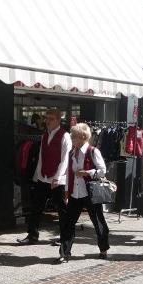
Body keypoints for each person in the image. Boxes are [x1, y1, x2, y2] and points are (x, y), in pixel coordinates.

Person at [17, 109, 71, 245]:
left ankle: (64, 238)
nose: (47, 121)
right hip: (43, 177)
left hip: (58, 179)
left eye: (51, 118)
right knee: (36, 207)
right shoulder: (44, 135)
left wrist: (58, 177)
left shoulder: (65, 136)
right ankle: (32, 235)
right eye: (46, 118)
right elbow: (41, 157)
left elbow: (65, 159)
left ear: (58, 120)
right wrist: (38, 175)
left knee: (62, 210)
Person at [58, 123, 109, 263]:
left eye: (73, 136)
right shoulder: (71, 153)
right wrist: (67, 191)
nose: (72, 138)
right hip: (75, 193)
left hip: (90, 193)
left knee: (98, 222)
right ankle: (64, 253)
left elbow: (103, 171)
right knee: (68, 223)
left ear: (82, 137)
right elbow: (69, 173)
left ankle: (103, 249)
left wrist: (88, 172)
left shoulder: (93, 151)